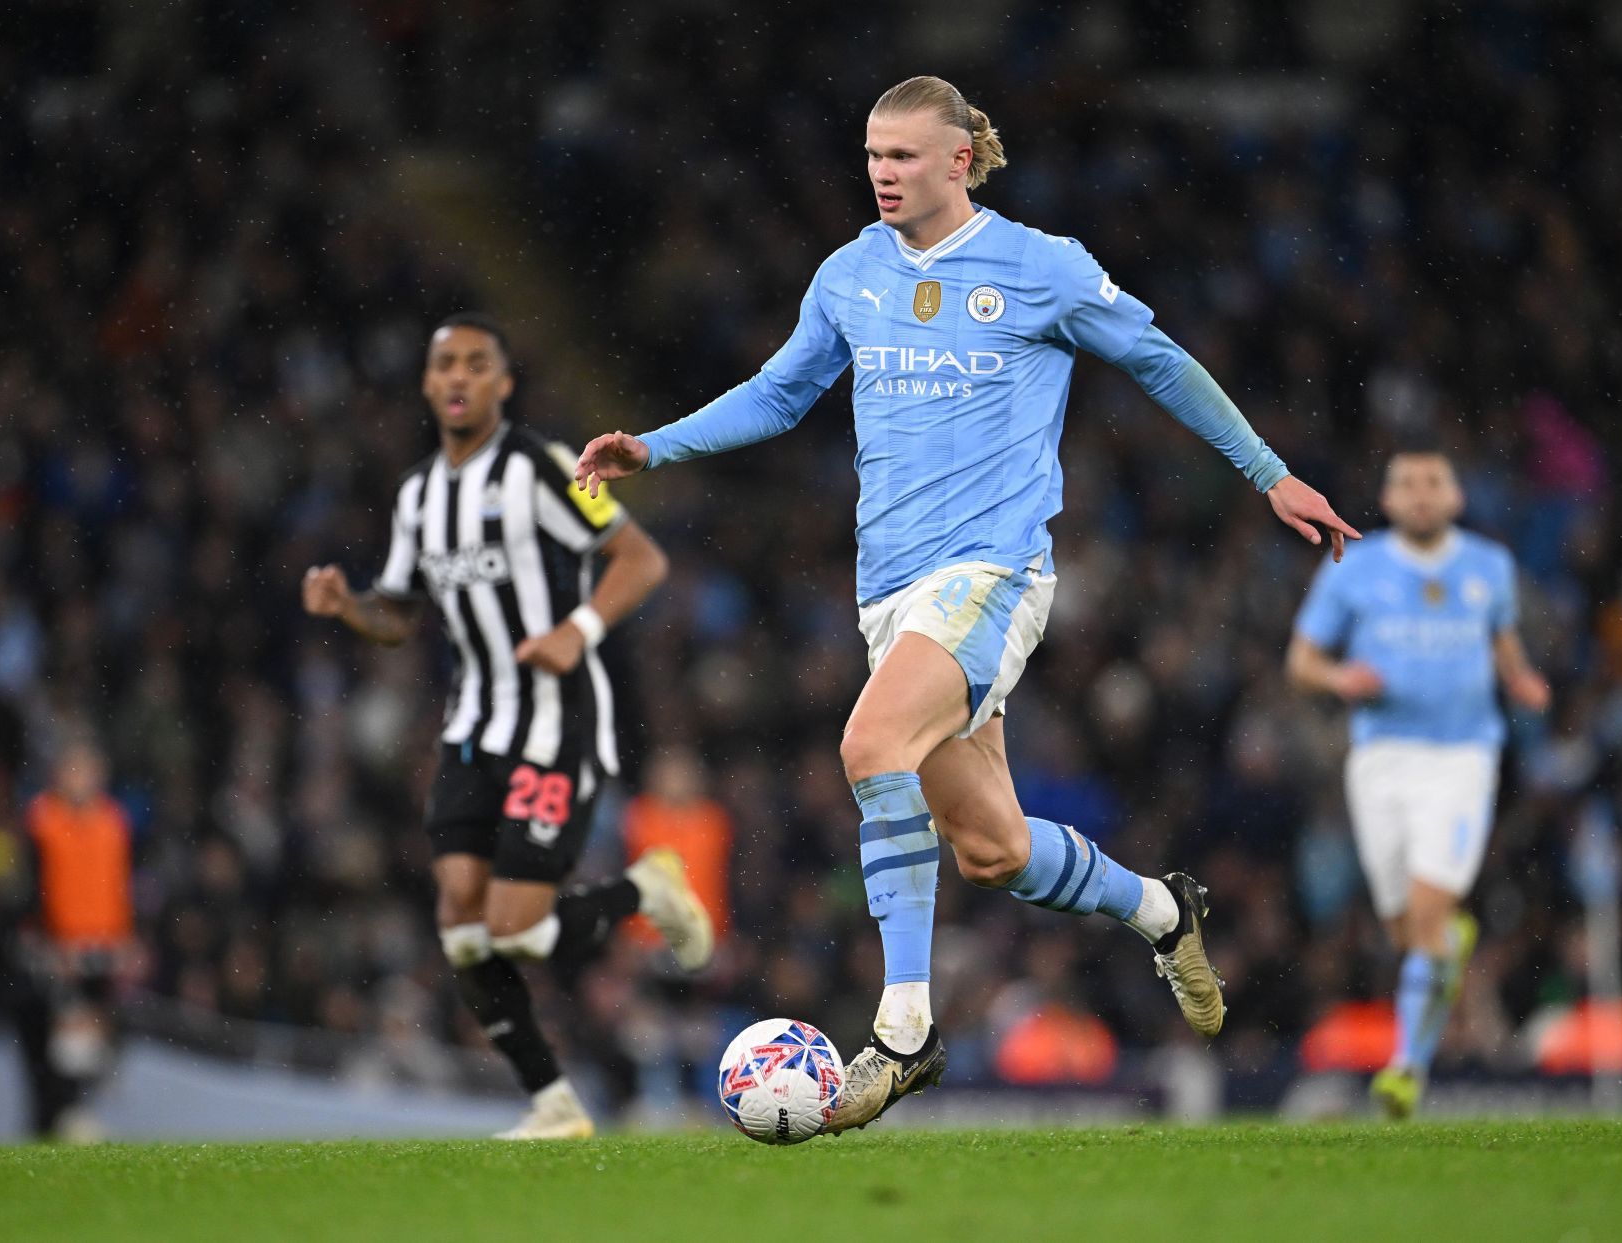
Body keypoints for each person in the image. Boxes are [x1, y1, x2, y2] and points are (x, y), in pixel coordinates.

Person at [574, 77, 1360, 1132]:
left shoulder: (1043, 267)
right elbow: (778, 391)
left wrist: (1269, 472)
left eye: (903, 156)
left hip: (992, 576)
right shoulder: (850, 274)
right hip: (890, 596)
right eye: (871, 156)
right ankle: (1165, 910)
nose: (883, 174)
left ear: (960, 159)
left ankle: (906, 1030)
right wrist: (653, 445)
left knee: (869, 745)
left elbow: (1158, 361)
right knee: (990, 851)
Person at [302, 313, 714, 1139]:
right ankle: (554, 1104)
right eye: (444, 364)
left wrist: (578, 631)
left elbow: (642, 559)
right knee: (460, 925)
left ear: (502, 384)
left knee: (516, 930)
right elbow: (400, 614)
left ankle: (646, 888)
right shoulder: (418, 495)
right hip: (471, 729)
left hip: (556, 723)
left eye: (475, 364)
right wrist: (350, 606)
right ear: (427, 383)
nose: (457, 377)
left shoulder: (540, 467)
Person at [1286, 445, 1549, 1118]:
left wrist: (1518, 678)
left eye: (1435, 481)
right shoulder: (1355, 565)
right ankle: (1444, 947)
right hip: (1382, 759)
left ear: (1456, 496)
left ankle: (1406, 1065)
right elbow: (1302, 661)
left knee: (1429, 912)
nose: (1422, 493)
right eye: (1408, 483)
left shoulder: (1489, 566)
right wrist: (1341, 678)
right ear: (1389, 498)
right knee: (1407, 931)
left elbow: (1502, 637)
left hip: (1462, 757)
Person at [15, 735, 139, 1140]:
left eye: (88, 771)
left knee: (95, 1031)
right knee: (61, 1029)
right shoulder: (42, 821)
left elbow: (119, 886)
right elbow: (32, 888)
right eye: (74, 770)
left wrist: (127, 937)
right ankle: (60, 1112)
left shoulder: (112, 822)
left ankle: (72, 1108)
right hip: (56, 945)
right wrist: (46, 940)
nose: (81, 779)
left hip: (101, 944)